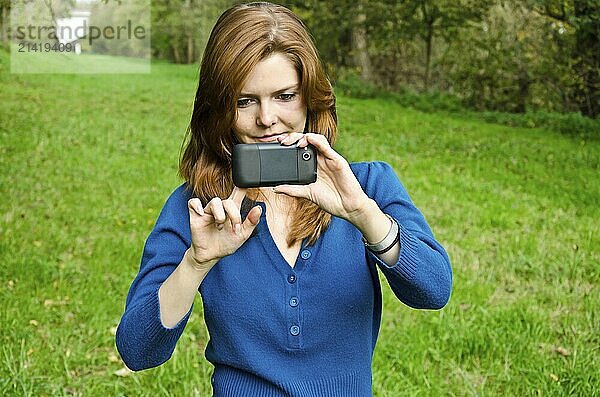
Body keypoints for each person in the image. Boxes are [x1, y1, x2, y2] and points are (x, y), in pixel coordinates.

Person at [116, 2, 452, 396]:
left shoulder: (367, 186)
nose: (266, 118)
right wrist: (196, 262)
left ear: (310, 97)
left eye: (284, 96)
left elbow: (434, 290)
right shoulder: (196, 207)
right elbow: (138, 351)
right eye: (245, 101)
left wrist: (363, 214)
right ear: (220, 109)